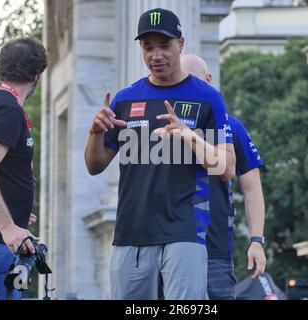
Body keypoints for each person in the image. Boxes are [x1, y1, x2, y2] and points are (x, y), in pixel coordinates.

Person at [85, 8, 236, 300]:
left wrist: (189, 136)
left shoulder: (207, 97)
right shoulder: (125, 99)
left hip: (185, 232)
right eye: (148, 47)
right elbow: (95, 165)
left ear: (181, 43)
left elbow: (227, 168)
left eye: (164, 45)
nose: (156, 55)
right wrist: (95, 133)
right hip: (131, 232)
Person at [181, 54, 266, 300]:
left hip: (216, 250)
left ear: (209, 80)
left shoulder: (232, 126)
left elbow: (252, 188)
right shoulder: (166, 127)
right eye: (185, 84)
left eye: (196, 83)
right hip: (170, 245)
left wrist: (257, 240)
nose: (192, 91)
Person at [0, 38, 47, 300]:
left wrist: (15, 210)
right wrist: (7, 226)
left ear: (0, 69)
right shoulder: (7, 109)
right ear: (37, 75)